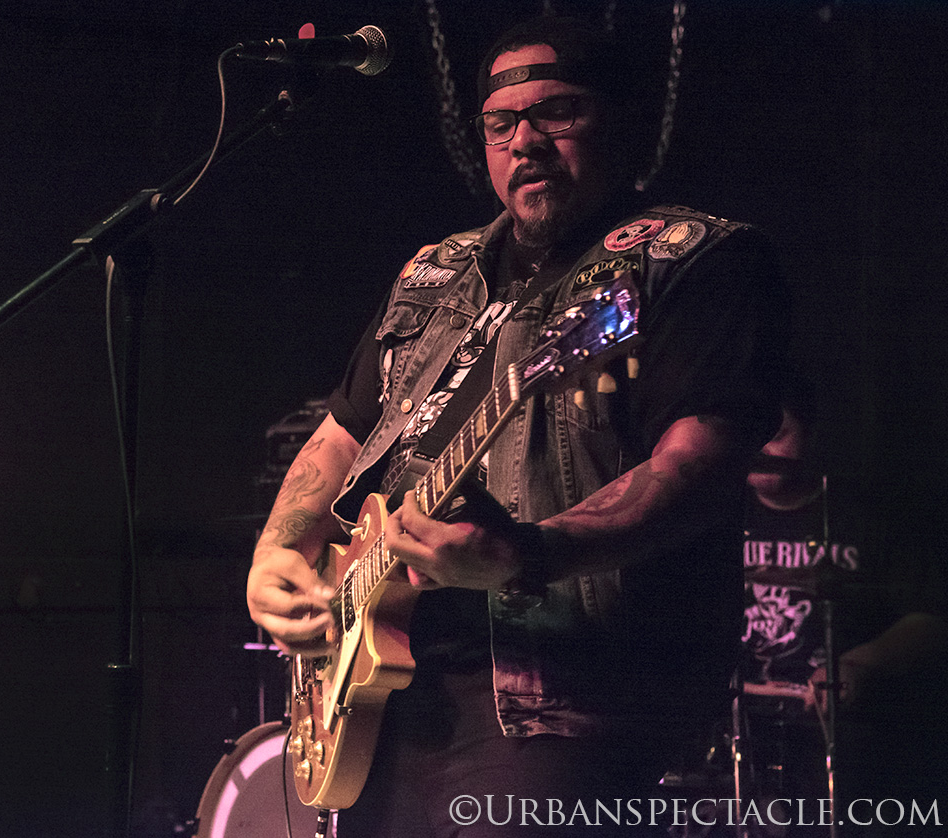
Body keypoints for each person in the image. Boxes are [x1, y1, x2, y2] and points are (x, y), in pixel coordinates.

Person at [247, 15, 791, 836]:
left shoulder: (698, 261)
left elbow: (697, 470)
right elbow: (343, 433)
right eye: (501, 125)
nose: (525, 142)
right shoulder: (434, 272)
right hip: (387, 691)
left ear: (620, 120)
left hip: (561, 698)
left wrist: (528, 555)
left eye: (557, 112)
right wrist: (277, 549)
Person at [740, 402, 948, 833]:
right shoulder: (710, 518)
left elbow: (932, 617)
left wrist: (857, 664)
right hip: (740, 729)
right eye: (747, 433)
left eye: (774, 433)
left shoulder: (868, 516)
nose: (758, 447)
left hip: (846, 735)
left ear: (811, 434)